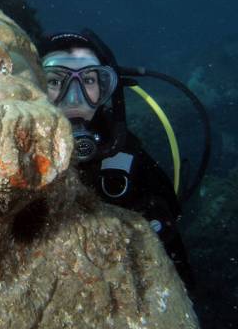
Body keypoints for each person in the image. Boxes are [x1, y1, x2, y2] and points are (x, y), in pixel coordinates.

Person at [40, 30, 197, 290]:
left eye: (88, 80)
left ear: (106, 88)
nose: (75, 98)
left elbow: (179, 277)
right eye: (55, 81)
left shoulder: (131, 162)